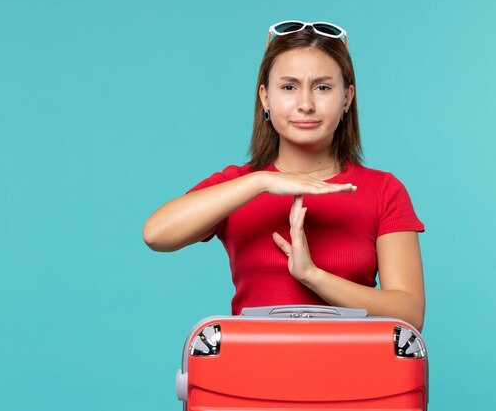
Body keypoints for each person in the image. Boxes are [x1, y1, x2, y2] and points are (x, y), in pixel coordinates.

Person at [143, 21, 426, 331]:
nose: (305, 104)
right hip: (250, 373)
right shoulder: (239, 185)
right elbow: (156, 234)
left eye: (323, 87)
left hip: (355, 373)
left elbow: (409, 315)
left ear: (346, 98)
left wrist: (313, 276)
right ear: (265, 97)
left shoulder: (383, 190)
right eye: (289, 87)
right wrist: (261, 181)